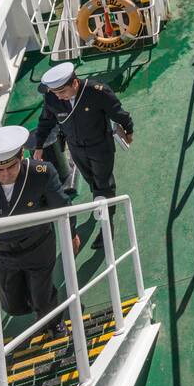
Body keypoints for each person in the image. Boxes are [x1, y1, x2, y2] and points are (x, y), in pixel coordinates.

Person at [0, 126, 74, 339]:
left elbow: (62, 206)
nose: (5, 175)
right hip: (2, 252)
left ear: (21, 156)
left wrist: (71, 233)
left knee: (41, 294)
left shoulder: (41, 173)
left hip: (38, 245)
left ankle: (54, 322)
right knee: (12, 305)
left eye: (11, 168)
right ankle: (39, 309)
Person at [31, 62, 132, 250]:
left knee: (104, 184)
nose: (59, 97)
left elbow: (118, 112)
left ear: (74, 82)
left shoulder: (97, 92)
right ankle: (100, 203)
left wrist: (129, 129)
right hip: (76, 149)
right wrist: (38, 146)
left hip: (100, 147)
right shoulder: (52, 99)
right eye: (55, 93)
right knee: (91, 181)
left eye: (62, 92)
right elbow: (46, 122)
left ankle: (106, 225)